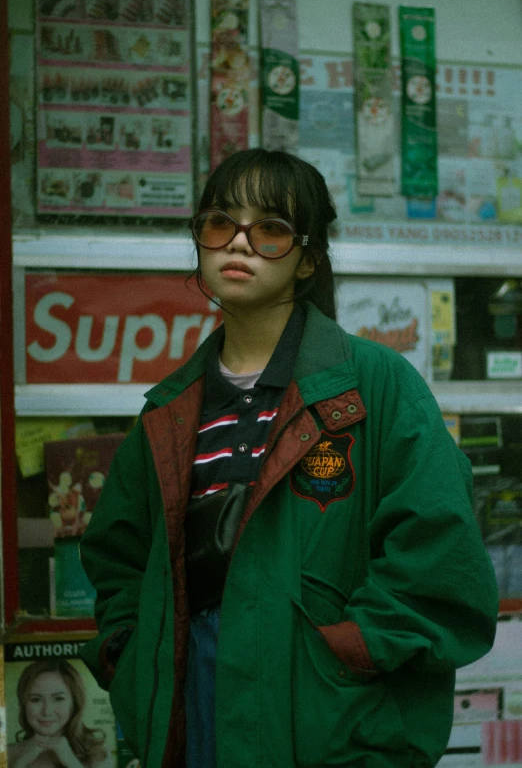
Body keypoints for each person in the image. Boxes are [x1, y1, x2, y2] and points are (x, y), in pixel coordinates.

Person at [79, 148, 499, 768]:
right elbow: (118, 561)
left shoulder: (376, 385)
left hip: (329, 716)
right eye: (221, 223)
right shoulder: (168, 411)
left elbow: (442, 554)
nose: (240, 243)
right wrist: (132, 656)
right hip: (194, 704)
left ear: (309, 258)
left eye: (271, 228)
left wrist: (349, 649)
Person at [8, 659, 108, 768]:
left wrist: (71, 761)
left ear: (75, 702)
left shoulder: (98, 755)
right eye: (36, 699)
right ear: (23, 705)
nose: (47, 711)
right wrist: (20, 762)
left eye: (58, 699)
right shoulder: (7, 753)